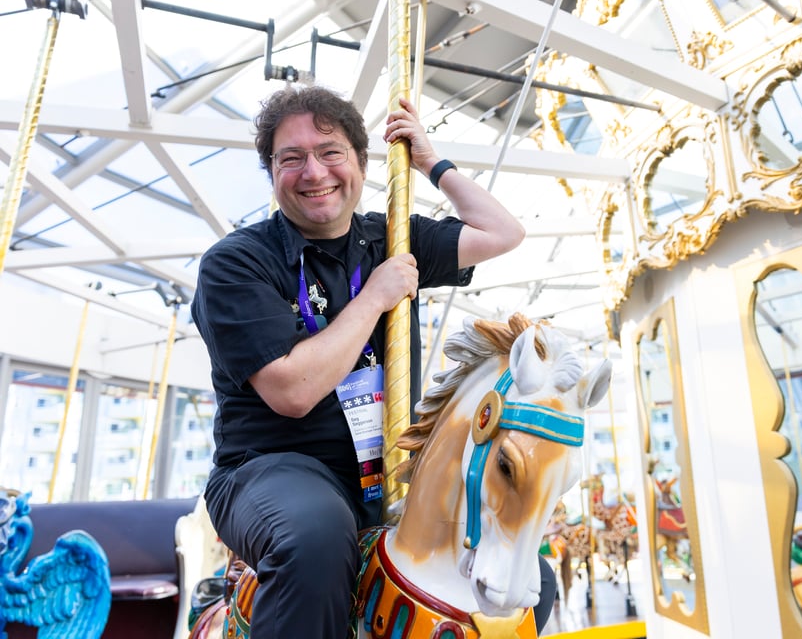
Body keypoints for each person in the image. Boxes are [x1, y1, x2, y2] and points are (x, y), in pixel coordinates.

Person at [190, 85, 556, 638]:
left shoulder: (393, 238)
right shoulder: (238, 263)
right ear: (272, 173)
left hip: (386, 470)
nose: (314, 172)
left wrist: (431, 162)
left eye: (330, 152)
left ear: (362, 163)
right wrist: (375, 298)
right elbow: (292, 391)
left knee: (528, 581)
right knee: (314, 537)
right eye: (292, 158)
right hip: (271, 468)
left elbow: (503, 233)